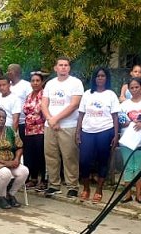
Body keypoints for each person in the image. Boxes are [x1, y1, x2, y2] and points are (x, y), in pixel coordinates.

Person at [42, 57, 84, 198]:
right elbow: (44, 104)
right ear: (55, 68)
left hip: (68, 125)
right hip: (50, 126)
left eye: (66, 65)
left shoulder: (76, 83)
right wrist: (50, 119)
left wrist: (56, 118)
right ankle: (54, 185)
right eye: (60, 65)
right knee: (51, 156)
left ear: (69, 68)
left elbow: (74, 105)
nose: (63, 67)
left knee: (69, 156)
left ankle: (72, 186)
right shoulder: (50, 84)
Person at [76, 67, 120, 204]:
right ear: (94, 78)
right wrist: (78, 132)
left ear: (106, 78)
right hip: (87, 131)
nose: (100, 78)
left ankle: (99, 190)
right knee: (84, 161)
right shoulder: (87, 94)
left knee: (103, 160)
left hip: (105, 131)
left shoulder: (111, 95)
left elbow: (115, 116)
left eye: (103, 76)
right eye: (98, 76)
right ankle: (86, 188)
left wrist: (116, 135)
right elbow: (81, 114)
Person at [22, 71, 47, 191]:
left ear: (42, 82)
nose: (35, 83)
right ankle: (33, 178)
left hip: (40, 129)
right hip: (28, 130)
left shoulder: (45, 95)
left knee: (40, 155)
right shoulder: (28, 95)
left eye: (38, 81)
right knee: (30, 155)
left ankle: (43, 180)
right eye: (33, 81)